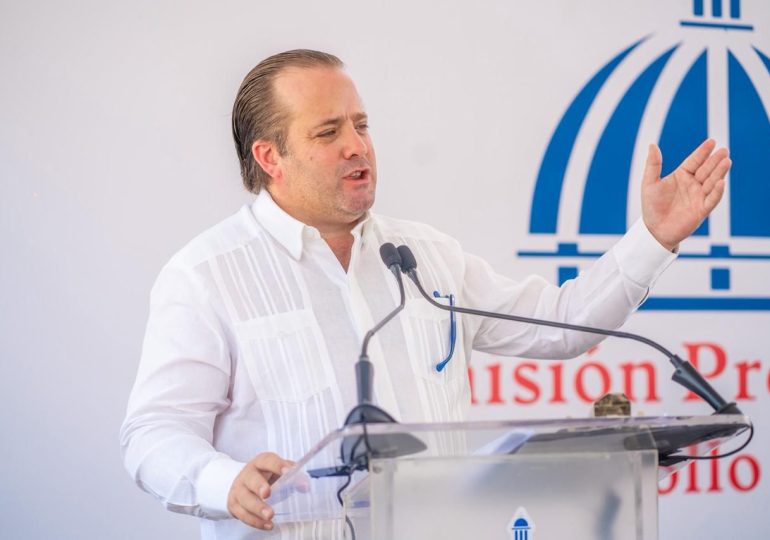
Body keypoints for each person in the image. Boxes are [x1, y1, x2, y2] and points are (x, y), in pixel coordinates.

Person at [120, 49, 731, 539]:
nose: (357, 145)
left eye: (361, 125)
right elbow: (153, 434)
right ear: (269, 157)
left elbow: (563, 323)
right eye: (329, 132)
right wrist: (223, 482)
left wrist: (654, 238)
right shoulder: (207, 274)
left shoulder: (424, 254)